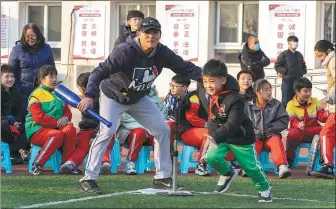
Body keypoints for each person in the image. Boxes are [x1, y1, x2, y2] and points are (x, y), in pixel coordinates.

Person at [77, 17, 202, 194]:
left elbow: (185, 68)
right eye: (147, 32)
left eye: (155, 32)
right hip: (113, 96)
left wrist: (209, 78)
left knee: (163, 129)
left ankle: (162, 177)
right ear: (138, 34)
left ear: (160, 35)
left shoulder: (162, 52)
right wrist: (89, 95)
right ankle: (89, 177)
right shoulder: (124, 51)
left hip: (137, 98)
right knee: (107, 131)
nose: (151, 36)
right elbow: (99, 72)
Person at [203, 59, 273, 203]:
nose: (207, 85)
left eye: (211, 81)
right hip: (220, 137)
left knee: (251, 168)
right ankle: (228, 173)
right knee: (211, 158)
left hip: (240, 138)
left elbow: (233, 124)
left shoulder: (235, 99)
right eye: (205, 81)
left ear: (223, 80)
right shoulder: (206, 91)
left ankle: (264, 188)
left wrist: (215, 136)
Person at [25, 65, 76, 175]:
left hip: (56, 129)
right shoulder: (36, 95)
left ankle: (66, 164)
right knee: (56, 135)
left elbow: (67, 111)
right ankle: (37, 165)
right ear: (42, 79)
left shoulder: (59, 93)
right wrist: (59, 123)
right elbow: (39, 118)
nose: (54, 80)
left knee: (71, 129)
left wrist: (65, 118)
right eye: (51, 77)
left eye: (55, 76)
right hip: (37, 130)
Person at [60, 72, 115, 175]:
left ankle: (105, 163)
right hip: (86, 130)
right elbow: (85, 121)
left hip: (103, 129)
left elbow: (107, 120)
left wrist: (94, 136)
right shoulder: (83, 100)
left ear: (84, 88)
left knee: (103, 142)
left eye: (79, 88)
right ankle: (71, 163)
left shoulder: (105, 99)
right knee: (81, 144)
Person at [116, 86, 168, 175]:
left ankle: (161, 164)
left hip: (151, 129)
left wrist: (151, 125)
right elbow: (125, 118)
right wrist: (144, 125)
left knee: (158, 132)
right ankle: (130, 162)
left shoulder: (156, 99)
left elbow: (163, 114)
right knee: (139, 132)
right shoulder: (127, 98)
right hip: (131, 130)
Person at [246, 79, 291, 179]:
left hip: (271, 135)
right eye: (266, 90)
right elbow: (243, 122)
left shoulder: (276, 104)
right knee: (251, 145)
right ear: (258, 92)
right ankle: (248, 168)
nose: (270, 92)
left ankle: (282, 167)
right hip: (255, 137)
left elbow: (284, 120)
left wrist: (270, 127)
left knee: (276, 141)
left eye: (270, 89)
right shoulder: (248, 106)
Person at [8, 23, 55, 112]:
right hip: (23, 91)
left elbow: (52, 69)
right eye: (27, 36)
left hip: (43, 89)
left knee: (42, 115)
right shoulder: (17, 49)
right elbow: (11, 71)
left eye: (32, 35)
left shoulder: (46, 48)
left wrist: (50, 86)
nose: (30, 38)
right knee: (26, 116)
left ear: (38, 35)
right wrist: (17, 88)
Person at [286, 77, 328, 168]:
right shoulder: (290, 104)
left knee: (326, 131)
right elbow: (292, 120)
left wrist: (327, 113)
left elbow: (322, 117)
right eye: (305, 91)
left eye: (310, 91)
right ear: (297, 92)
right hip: (299, 131)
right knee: (292, 134)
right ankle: (289, 158)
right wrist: (298, 124)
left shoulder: (315, 101)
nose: (308, 94)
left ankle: (324, 159)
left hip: (313, 130)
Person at [311, 40, 335, 179]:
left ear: (328, 51)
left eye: (320, 55)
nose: (320, 59)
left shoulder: (333, 61)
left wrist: (331, 97)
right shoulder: (331, 61)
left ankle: (328, 166)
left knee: (325, 134)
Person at [1, 64, 29, 163]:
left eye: (12, 76)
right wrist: (11, 121)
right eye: (6, 76)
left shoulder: (16, 93)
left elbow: (20, 112)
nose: (10, 79)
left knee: (29, 124)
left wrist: (18, 122)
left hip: (13, 122)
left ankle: (16, 152)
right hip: (4, 122)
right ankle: (11, 153)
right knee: (3, 125)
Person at [274, 35, 307, 107]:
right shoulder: (284, 54)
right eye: (294, 42)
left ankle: (296, 117)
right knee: (287, 102)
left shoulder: (299, 55)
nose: (295, 43)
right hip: (287, 83)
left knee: (298, 101)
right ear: (289, 43)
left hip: (298, 83)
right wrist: (285, 71)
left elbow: (304, 65)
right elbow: (277, 65)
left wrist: (303, 71)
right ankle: (285, 117)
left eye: (296, 42)